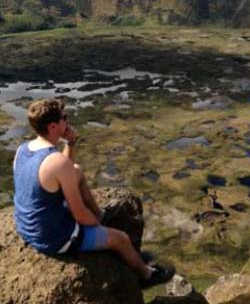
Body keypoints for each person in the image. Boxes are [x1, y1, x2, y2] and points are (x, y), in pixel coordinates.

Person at [13, 98, 173, 287]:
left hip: (26, 226)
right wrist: (95, 225)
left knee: (77, 171)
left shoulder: (23, 149)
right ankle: (147, 275)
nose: (68, 121)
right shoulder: (55, 161)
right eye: (65, 118)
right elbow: (78, 212)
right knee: (121, 239)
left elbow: (67, 171)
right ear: (54, 126)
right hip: (53, 237)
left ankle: (99, 213)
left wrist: (70, 145)